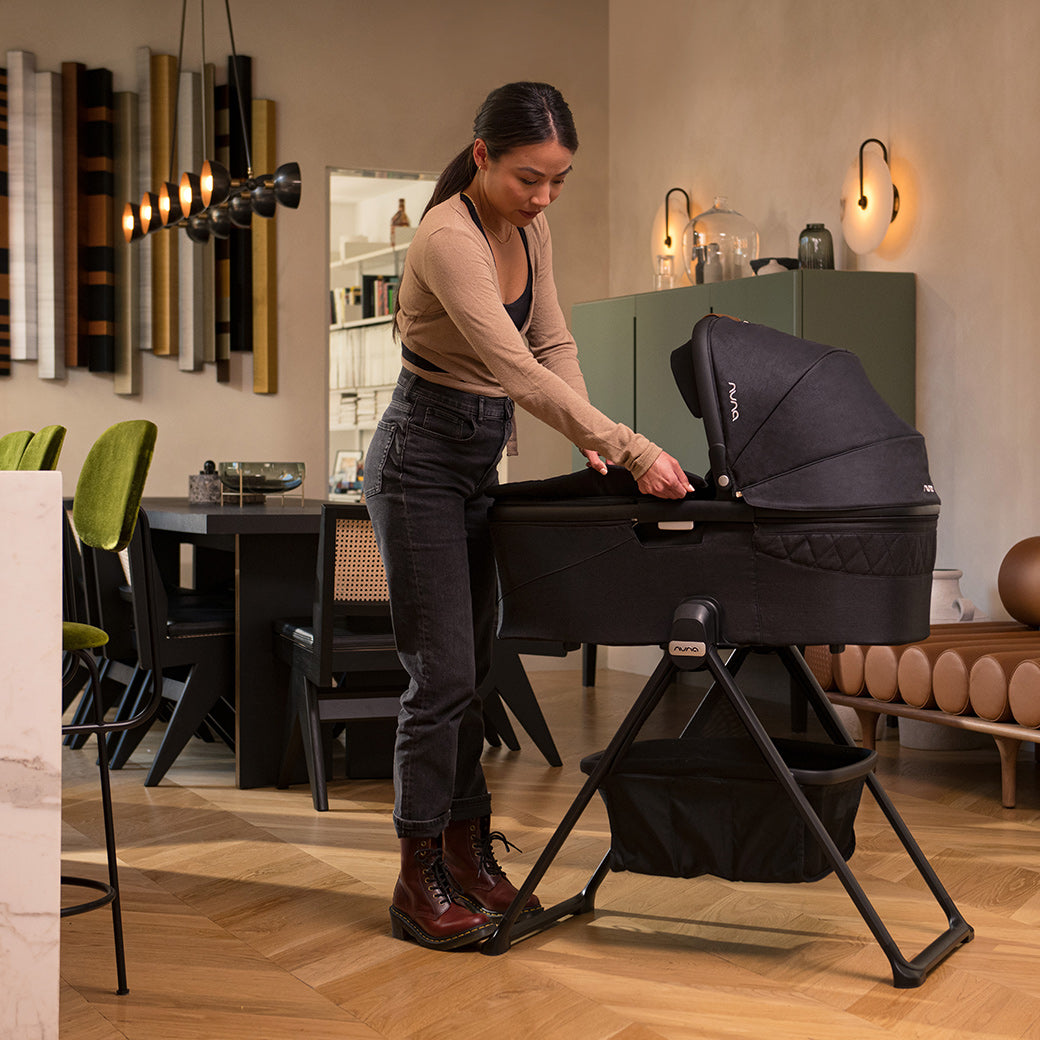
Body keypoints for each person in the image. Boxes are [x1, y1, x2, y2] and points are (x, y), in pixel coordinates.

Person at [365, 81, 693, 951]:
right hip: (419, 461)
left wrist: (588, 436)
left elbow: (552, 344)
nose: (544, 197)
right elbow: (513, 367)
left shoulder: (529, 228)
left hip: (478, 459)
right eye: (528, 178)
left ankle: (465, 853)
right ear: (482, 157)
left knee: (476, 673)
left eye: (558, 180)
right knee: (439, 678)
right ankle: (416, 879)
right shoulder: (447, 237)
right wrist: (627, 447)